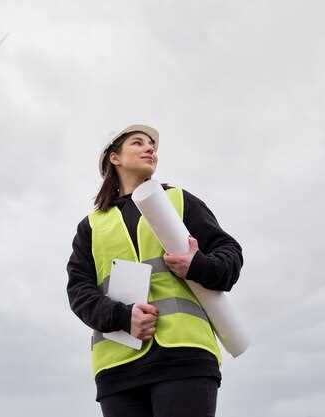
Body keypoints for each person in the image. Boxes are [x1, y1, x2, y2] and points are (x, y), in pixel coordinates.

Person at [66, 124, 243, 417]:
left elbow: (230, 257)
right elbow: (78, 291)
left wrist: (197, 265)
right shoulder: (92, 226)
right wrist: (122, 317)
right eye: (138, 143)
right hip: (118, 369)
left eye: (152, 145)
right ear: (115, 158)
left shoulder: (179, 201)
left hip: (184, 356)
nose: (150, 149)